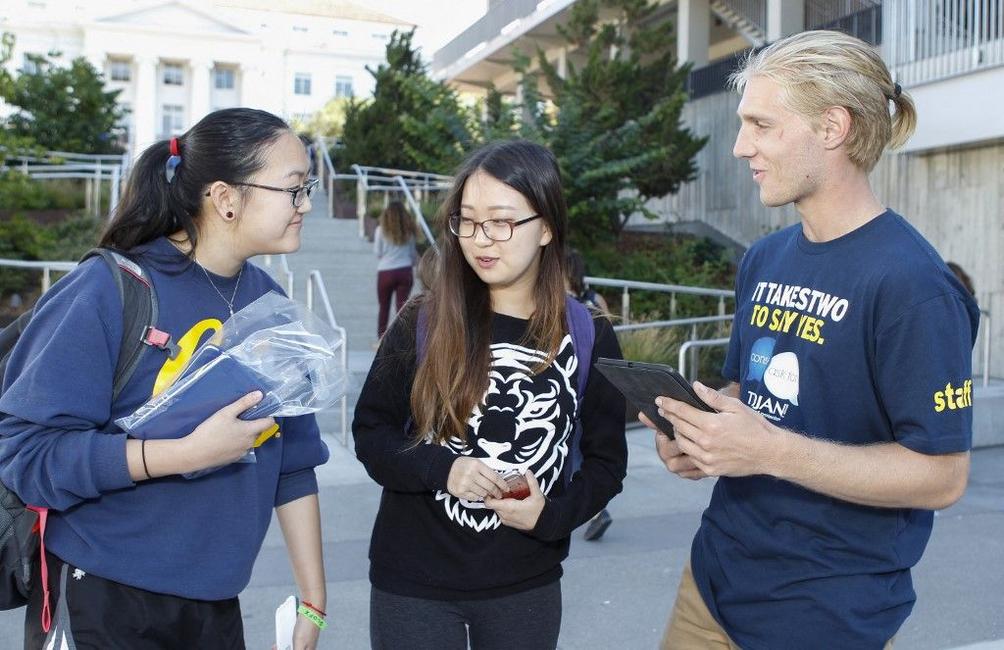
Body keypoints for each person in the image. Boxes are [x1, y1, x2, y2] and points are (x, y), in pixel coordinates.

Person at [644, 31, 980, 649]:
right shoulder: (764, 258)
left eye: (762, 126)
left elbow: (943, 476)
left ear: (832, 128)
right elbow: (751, 389)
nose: (742, 147)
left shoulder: (914, 287)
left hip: (826, 610)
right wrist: (705, 432)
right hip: (713, 581)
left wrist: (768, 451)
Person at [0, 108, 330, 649]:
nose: (306, 205)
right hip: (102, 596)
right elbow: (29, 458)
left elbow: (294, 462)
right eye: (294, 189)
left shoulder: (269, 303)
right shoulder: (108, 289)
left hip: (215, 605)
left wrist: (313, 603)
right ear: (225, 198)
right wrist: (184, 454)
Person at [353, 139, 627, 649]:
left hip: (525, 584)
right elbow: (371, 435)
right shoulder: (422, 320)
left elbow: (607, 463)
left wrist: (552, 517)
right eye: (468, 220)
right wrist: (444, 469)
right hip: (412, 584)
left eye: (502, 221)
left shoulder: (588, 333)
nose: (482, 239)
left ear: (545, 227)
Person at [564, 248, 613, 541]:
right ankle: (595, 509)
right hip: (595, 384)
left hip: (572, 387)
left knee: (573, 451)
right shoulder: (594, 299)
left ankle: (593, 511)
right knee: (585, 449)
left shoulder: (560, 303)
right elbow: (609, 332)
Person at [373, 201, 419, 338]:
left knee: (384, 307)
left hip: (385, 272)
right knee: (402, 308)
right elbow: (412, 255)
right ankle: (401, 338)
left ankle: (382, 338)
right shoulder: (409, 231)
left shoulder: (380, 230)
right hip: (404, 271)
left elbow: (377, 252)